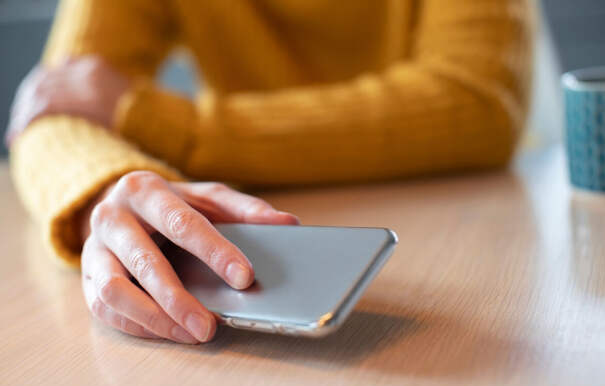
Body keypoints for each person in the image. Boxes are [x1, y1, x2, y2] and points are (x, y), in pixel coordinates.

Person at [6, 0, 533, 344]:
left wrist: (163, 122)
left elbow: (478, 103)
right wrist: (110, 194)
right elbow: (55, 105)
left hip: (485, 239)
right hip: (252, 233)